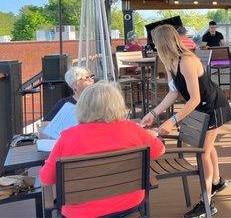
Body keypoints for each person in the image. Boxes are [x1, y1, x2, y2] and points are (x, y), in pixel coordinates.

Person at [141, 25, 231, 218]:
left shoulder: (187, 61)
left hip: (213, 106)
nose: (153, 47)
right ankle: (216, 181)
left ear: (162, 43)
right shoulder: (169, 62)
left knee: (204, 152)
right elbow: (174, 92)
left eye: (155, 44)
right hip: (201, 108)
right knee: (208, 147)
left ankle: (207, 203)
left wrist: (171, 121)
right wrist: (154, 113)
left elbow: (195, 98)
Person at [40, 81, 165, 218]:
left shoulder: (68, 137)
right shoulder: (133, 128)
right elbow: (160, 150)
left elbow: (46, 179)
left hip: (82, 212)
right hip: (129, 202)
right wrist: (150, 135)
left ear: (82, 107)